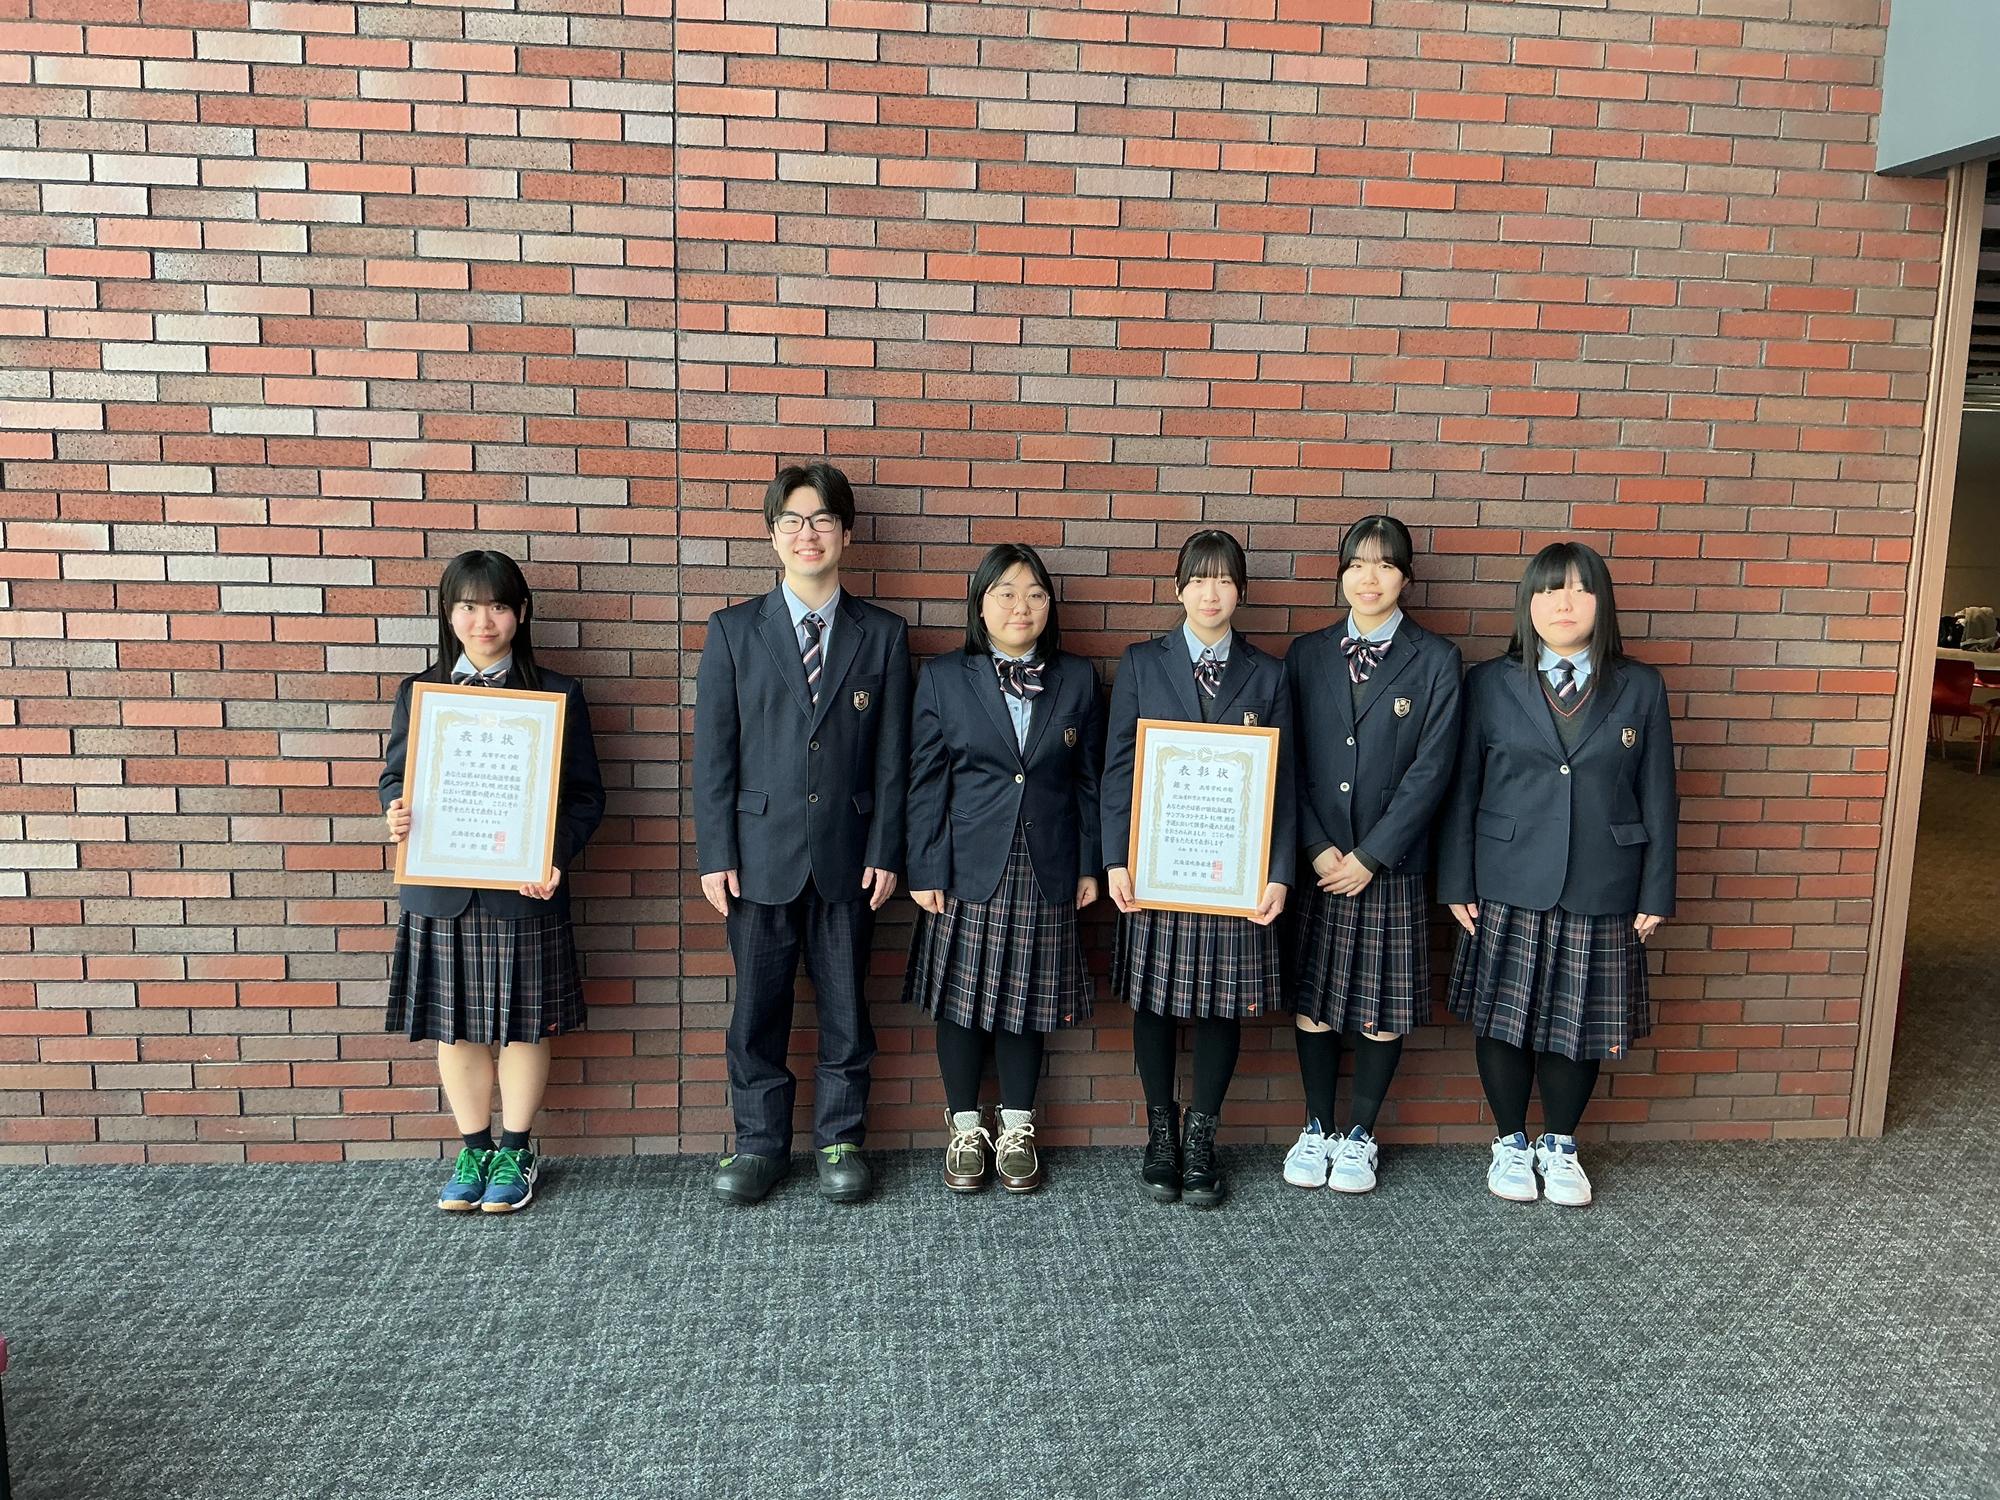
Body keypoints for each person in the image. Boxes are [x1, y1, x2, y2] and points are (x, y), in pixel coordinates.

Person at [693, 462, 911, 1206]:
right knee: (757, 1010)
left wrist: (886, 848)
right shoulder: (732, 631)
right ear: (773, 535)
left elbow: (893, 760)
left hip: (850, 856)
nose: (807, 533)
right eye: (792, 520)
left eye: (821, 520)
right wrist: (716, 853)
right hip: (757, 857)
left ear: (846, 533)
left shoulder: (883, 635)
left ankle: (841, 1139)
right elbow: (714, 754)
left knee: (847, 1008)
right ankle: (759, 1144)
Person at [1438, 541, 1678, 1207]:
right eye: (1548, 590)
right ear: (1528, 604)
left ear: (1602, 602)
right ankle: (1511, 1142)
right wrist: (1455, 881)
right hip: (1505, 877)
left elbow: (1660, 795)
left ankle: (1561, 1144)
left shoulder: (1641, 686)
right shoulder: (1489, 683)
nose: (1563, 603)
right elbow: (1461, 789)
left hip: (1604, 881)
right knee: (1503, 1020)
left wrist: (1656, 888)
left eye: (1578, 589)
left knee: (1580, 1025)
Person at [380, 549, 604, 1214]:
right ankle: (473, 1149)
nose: (484, 621)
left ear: (522, 613)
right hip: (440, 886)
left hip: (523, 886)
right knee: (455, 1028)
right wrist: (395, 810)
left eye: (499, 606)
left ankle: (516, 1150)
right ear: (449, 615)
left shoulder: (556, 695)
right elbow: (395, 777)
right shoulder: (420, 692)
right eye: (470, 606)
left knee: (525, 1026)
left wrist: (554, 855)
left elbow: (586, 797)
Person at [1102, 529, 1294, 1209]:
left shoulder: (1268, 673)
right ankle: (1161, 1135)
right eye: (1198, 579)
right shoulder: (1141, 662)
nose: (1211, 593)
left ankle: (1202, 1136)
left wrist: (1278, 871)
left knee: (1221, 1004)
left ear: (1240, 591)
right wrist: (1114, 858)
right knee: (1154, 1002)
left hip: (1232, 873)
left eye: (1224, 580)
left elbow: (1284, 783)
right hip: (1157, 867)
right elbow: (1117, 768)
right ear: (1179, 587)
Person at [903, 544, 1103, 1195]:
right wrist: (924, 867)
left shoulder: (1078, 678)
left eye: (1035, 594)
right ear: (980, 604)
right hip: (966, 864)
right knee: (960, 1007)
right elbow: (925, 781)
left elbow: (1089, 781)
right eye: (1006, 593)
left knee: (1026, 1004)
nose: (1022, 606)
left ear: (1050, 606)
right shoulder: (944, 677)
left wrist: (1090, 864)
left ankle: (1017, 1129)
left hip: (1048, 863)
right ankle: (965, 1129)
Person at [1281, 515, 1462, 1194]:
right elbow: (1288, 760)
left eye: (1385, 565)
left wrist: (1374, 854)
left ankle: (1359, 1135)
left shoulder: (1437, 659)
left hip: (1390, 865)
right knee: (1315, 1000)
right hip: (1320, 861)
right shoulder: (1306, 653)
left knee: (1381, 1005)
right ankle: (1316, 1126)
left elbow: (1433, 770)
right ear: (1341, 574)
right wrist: (1315, 845)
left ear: (1405, 578)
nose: (1370, 577)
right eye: (1357, 563)